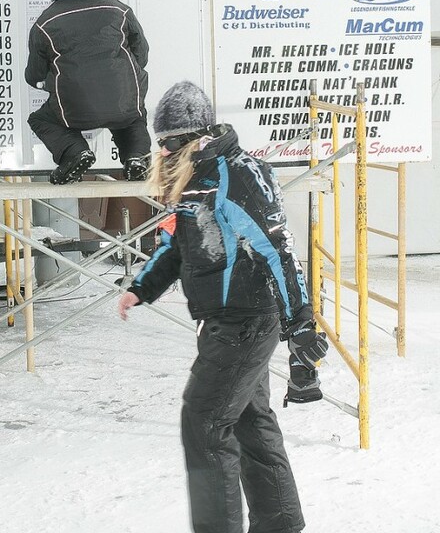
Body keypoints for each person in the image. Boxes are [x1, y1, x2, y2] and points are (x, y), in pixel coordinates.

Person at [118, 81, 328, 533]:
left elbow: (279, 250)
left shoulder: (238, 173)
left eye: (171, 141)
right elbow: (177, 243)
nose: (164, 150)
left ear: (196, 135)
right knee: (251, 424)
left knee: (205, 423)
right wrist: (143, 286)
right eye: (161, 142)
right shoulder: (197, 178)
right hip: (225, 322)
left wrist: (301, 325)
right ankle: (280, 524)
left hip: (246, 322)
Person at [25, 0, 151, 184]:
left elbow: (33, 75)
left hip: (73, 108)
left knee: (41, 119)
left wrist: (52, 83)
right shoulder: (119, 9)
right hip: (123, 100)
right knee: (132, 116)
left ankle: (75, 152)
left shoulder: (44, 23)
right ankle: (137, 158)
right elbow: (141, 54)